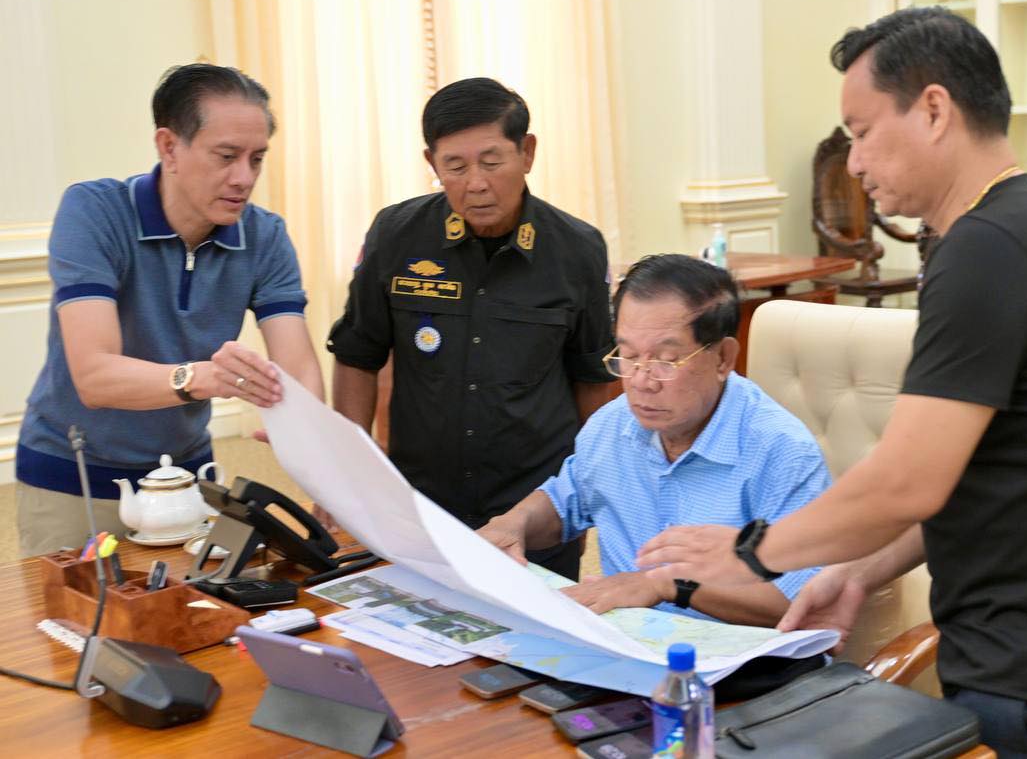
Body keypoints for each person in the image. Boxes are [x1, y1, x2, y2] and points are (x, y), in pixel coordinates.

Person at [637, 8, 1027, 757]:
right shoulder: (1011, 227)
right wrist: (862, 568)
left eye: (862, 132)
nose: (854, 162)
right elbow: (981, 472)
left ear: (933, 110)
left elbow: (905, 482)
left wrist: (753, 550)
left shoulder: (989, 247)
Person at [16, 64, 324, 557]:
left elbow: (298, 365)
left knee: (195, 605)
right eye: (226, 156)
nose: (244, 178)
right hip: (74, 476)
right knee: (75, 610)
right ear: (169, 147)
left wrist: (309, 439)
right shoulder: (94, 211)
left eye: (257, 159)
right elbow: (94, 377)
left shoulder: (264, 235)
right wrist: (201, 377)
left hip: (187, 477)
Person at [328, 77, 616, 580]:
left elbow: (594, 380)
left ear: (527, 153)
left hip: (533, 505)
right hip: (421, 502)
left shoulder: (577, 249)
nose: (475, 183)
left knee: (536, 629)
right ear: (432, 163)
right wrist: (351, 469)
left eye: (491, 161)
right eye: (455, 167)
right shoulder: (396, 236)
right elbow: (358, 354)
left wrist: (584, 496)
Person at [477, 254, 831, 626]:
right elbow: (565, 503)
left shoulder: (781, 450)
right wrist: (514, 522)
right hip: (625, 647)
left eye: (666, 360)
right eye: (629, 356)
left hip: (736, 658)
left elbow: (800, 603)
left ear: (724, 358)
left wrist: (669, 585)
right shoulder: (611, 426)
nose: (641, 381)